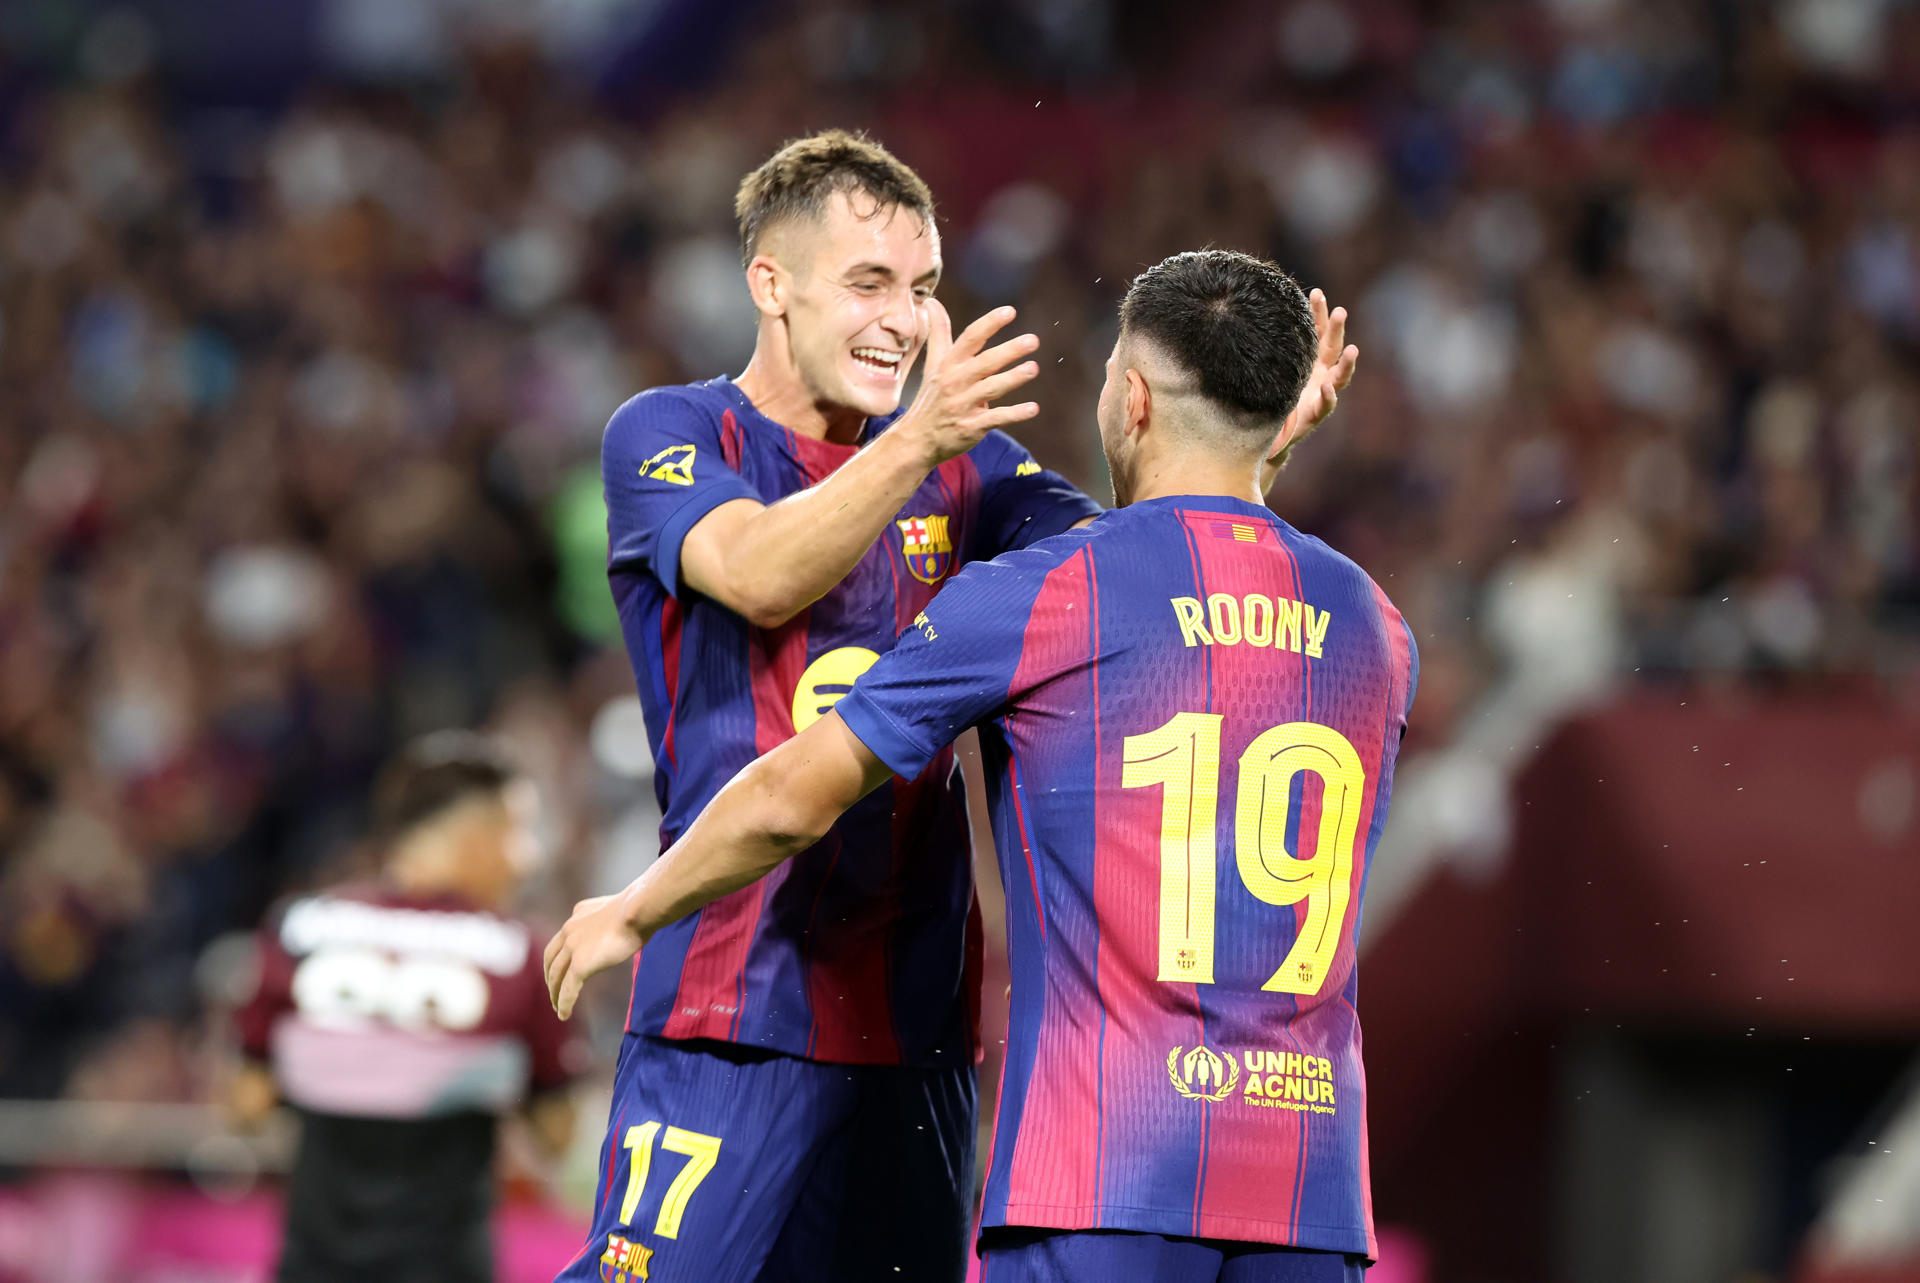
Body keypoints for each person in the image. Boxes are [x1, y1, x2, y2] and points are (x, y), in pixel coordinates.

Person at [563, 126, 1354, 1283]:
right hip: (730, 1006)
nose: (900, 316)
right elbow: (760, 571)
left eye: (923, 287)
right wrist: (920, 437)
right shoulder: (671, 433)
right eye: (869, 282)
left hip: (915, 1029)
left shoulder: (972, 473)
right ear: (769, 285)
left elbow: (1153, 555)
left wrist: (1260, 444)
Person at [233, 732, 581, 1283]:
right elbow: (556, 1133)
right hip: (444, 1264)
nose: (527, 858)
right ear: (470, 834)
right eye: (516, 831)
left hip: (313, 1261)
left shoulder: (299, 926)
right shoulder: (520, 951)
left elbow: (246, 1103)